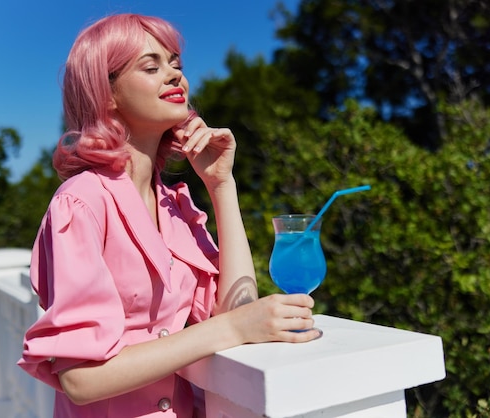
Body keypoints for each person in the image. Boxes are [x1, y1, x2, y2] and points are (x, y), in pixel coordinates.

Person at [18, 13, 321, 418]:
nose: (175, 75)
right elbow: (80, 379)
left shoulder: (174, 204)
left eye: (176, 63)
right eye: (151, 66)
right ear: (105, 94)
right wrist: (230, 329)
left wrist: (221, 185)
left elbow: (236, 306)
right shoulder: (81, 202)